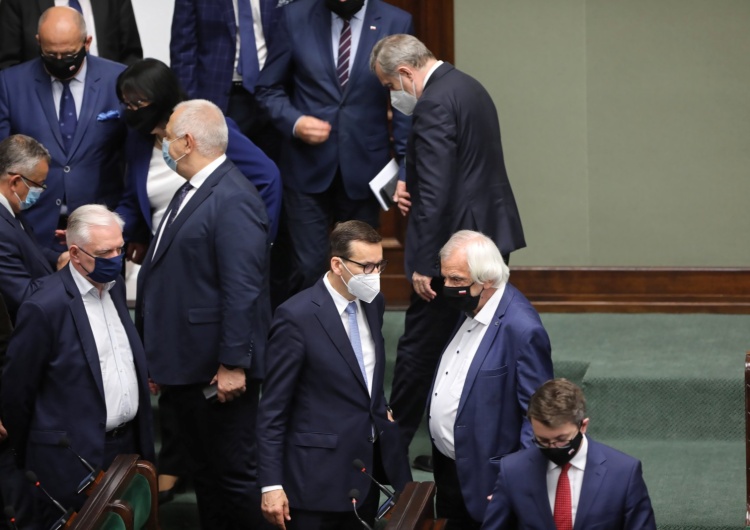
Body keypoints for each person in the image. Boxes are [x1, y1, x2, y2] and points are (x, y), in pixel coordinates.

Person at [370, 34, 527, 467]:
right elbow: (459, 167)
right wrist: (410, 177)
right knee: (473, 344)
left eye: (389, 86)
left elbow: (437, 194)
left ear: (404, 73)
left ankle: (390, 455)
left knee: (419, 348)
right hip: (488, 237)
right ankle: (457, 450)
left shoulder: (434, 102)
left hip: (456, 250)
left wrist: (423, 263)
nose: (392, 96)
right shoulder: (467, 86)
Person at [135, 99, 270, 530]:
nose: (163, 143)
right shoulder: (192, 190)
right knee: (209, 475)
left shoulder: (232, 197)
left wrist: (233, 363)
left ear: (188, 141)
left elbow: (242, 289)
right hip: (187, 366)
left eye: (167, 135)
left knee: (231, 477)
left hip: (217, 373)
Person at [1, 205, 155, 530]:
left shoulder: (113, 290)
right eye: (105, 252)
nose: (116, 257)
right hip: (73, 459)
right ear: (75, 253)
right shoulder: (44, 306)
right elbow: (18, 392)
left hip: (127, 448)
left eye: (119, 248)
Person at [257, 220, 411, 530]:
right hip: (316, 480)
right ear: (337, 264)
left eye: (380, 265)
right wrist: (271, 485)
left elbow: (366, 376)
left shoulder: (373, 303)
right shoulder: (296, 317)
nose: (375, 275)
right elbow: (273, 409)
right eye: (366, 266)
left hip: (365, 471)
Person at [255, 0, 413, 300]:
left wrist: (405, 166)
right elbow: (268, 89)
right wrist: (296, 121)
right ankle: (311, 343)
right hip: (306, 167)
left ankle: (361, 342)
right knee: (308, 267)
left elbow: (404, 100)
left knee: (362, 269)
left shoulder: (396, 21)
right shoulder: (293, 17)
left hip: (366, 168)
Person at [426, 230, 553, 529]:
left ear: (487, 281)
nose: (447, 287)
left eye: (456, 280)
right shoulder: (472, 305)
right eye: (445, 278)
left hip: (490, 485)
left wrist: (516, 484)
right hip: (449, 471)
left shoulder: (522, 330)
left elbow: (536, 418)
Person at [115, 58, 281, 257]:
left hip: (213, 256)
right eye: (127, 104)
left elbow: (268, 177)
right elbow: (133, 201)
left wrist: (258, 240)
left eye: (138, 103)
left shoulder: (208, 128)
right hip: (163, 257)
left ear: (161, 96)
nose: (131, 111)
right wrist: (106, 230)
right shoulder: (138, 141)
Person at [0, 6, 128, 252]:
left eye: (68, 54)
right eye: (51, 54)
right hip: (31, 229)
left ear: (87, 42)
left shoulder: (118, 79)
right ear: (38, 42)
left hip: (100, 230)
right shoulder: (10, 84)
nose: (60, 61)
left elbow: (133, 159)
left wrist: (129, 225)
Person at [481, 378, 657, 530]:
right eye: (542, 441)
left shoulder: (623, 473)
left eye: (561, 440)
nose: (553, 447)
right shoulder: (513, 471)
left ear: (583, 426)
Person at [170, 0, 283, 159]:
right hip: (221, 97)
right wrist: (191, 108)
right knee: (224, 170)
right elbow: (183, 52)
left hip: (275, 93)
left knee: (275, 167)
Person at [0, 135, 64, 323]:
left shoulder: (11, 211)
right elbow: (25, 295)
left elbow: (27, 250)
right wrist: (68, 276)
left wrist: (60, 257)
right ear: (15, 182)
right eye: (38, 184)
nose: (41, 191)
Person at [0, 0, 142, 70]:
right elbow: (7, 63)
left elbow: (131, 55)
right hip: (40, 102)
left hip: (107, 101)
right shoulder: (18, 2)